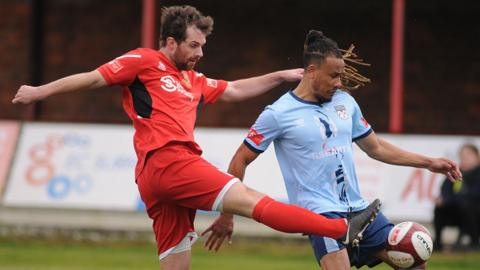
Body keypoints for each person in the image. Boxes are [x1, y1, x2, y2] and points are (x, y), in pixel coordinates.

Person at [12, 6, 381, 270]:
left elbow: (235, 88)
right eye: (193, 45)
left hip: (156, 180)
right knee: (250, 200)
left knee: (176, 264)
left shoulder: (194, 80)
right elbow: (93, 76)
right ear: (170, 42)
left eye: (202, 46)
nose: (200, 53)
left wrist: (282, 74)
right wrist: (39, 91)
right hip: (170, 161)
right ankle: (340, 227)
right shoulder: (145, 61)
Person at [209, 30, 463, 269]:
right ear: (311, 71)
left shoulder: (345, 102)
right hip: (322, 216)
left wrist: (428, 163)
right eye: (333, 75)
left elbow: (376, 148)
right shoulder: (278, 114)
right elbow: (239, 160)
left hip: (361, 211)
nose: (339, 83)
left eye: (341, 75)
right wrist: (227, 215)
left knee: (415, 259)